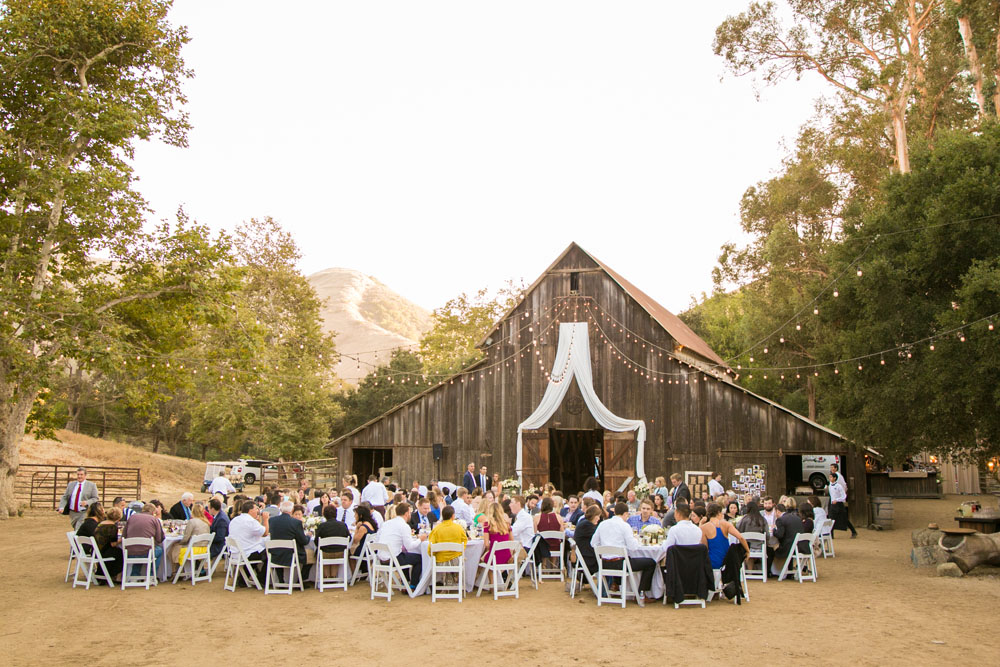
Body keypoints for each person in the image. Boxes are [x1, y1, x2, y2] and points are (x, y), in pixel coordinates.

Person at [592, 503, 657, 604]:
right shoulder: (624, 526)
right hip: (620, 564)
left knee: (625, 560)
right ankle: (641, 593)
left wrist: (605, 548)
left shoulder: (602, 524)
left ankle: (616, 584)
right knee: (651, 563)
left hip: (604, 563)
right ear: (626, 514)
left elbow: (593, 543)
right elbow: (633, 547)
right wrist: (635, 539)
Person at [380, 502, 428, 587]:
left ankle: (405, 581)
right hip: (393, 559)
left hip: (381, 559)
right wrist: (420, 539)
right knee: (420, 558)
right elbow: (409, 546)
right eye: (410, 512)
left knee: (404, 555)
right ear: (406, 513)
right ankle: (413, 585)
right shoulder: (404, 526)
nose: (410, 515)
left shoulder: (386, 523)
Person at [269, 500, 312, 582]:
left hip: (275, 555)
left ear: (281, 509)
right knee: (311, 555)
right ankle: (301, 580)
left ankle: (281, 580)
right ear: (292, 510)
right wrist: (308, 536)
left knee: (279, 549)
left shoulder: (272, 520)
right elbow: (304, 541)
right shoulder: (296, 522)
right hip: (291, 555)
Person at [228, 499, 270, 580]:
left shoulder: (235, 520)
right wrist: (265, 519)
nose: (258, 511)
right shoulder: (250, 521)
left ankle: (243, 579)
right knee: (270, 554)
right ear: (250, 511)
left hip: (235, 553)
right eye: (256, 509)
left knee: (258, 551)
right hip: (246, 553)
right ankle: (262, 579)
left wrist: (257, 521)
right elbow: (265, 533)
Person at [701, 503, 750, 569]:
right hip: (726, 561)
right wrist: (747, 551)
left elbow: (705, 548)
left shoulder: (704, 528)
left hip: (711, 562)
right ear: (718, 513)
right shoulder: (726, 524)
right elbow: (740, 537)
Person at [123, 503, 165, 574]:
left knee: (138, 549)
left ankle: (135, 575)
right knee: (159, 550)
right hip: (146, 553)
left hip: (129, 553)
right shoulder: (154, 519)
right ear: (153, 512)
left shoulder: (132, 517)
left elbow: (124, 535)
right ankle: (152, 575)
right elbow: (159, 539)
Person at [168, 502, 211, 567]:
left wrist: (180, 542)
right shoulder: (206, 522)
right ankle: (185, 568)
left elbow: (186, 538)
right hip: (204, 549)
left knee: (173, 548)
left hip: (193, 550)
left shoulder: (192, 522)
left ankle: (177, 569)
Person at [480, 500, 514, 576]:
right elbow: (511, 540)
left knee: (481, 560)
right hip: (507, 555)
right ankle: (498, 580)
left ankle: (490, 582)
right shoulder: (507, 524)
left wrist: (489, 549)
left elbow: (486, 544)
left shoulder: (487, 524)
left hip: (494, 556)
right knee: (487, 558)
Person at [771, 503, 806, 576]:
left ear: (777, 511)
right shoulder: (797, 518)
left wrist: (774, 530)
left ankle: (771, 571)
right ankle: (788, 571)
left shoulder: (780, 520)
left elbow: (779, 535)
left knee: (770, 548)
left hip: (789, 548)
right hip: (801, 546)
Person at [94, 507, 124, 581]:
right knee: (121, 553)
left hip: (96, 550)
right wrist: (120, 540)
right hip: (104, 552)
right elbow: (113, 544)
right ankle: (117, 576)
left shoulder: (100, 524)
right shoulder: (112, 527)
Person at [572, 505, 602, 576]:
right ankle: (605, 583)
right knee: (609, 562)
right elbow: (600, 536)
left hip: (583, 556)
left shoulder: (584, 523)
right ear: (593, 516)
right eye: (598, 516)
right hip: (586, 558)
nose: (599, 518)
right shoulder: (586, 525)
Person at [533, 497, 565, 563]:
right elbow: (562, 533)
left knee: (541, 542)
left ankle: (543, 565)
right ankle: (553, 565)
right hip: (555, 546)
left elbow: (534, 533)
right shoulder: (559, 517)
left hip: (543, 547)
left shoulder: (537, 518)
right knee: (555, 541)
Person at [828, 473, 857, 538]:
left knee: (844, 519)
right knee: (831, 519)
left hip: (839, 504)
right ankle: (831, 535)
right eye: (829, 477)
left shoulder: (839, 486)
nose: (830, 478)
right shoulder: (830, 486)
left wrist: (837, 500)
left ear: (835, 478)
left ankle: (853, 531)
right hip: (833, 504)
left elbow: (844, 496)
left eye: (831, 477)